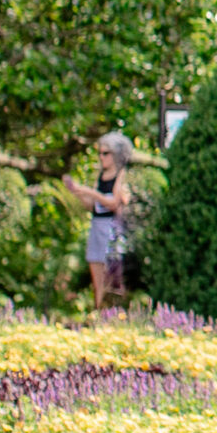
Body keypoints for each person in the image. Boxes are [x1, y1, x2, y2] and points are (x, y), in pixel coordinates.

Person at [64, 131, 132, 306]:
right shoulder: (100, 176)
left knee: (113, 272)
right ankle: (98, 308)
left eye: (105, 153)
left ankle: (113, 309)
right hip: (96, 224)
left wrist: (91, 192)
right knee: (96, 266)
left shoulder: (121, 175)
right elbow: (93, 205)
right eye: (100, 153)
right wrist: (77, 192)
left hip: (111, 228)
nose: (101, 157)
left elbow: (113, 202)